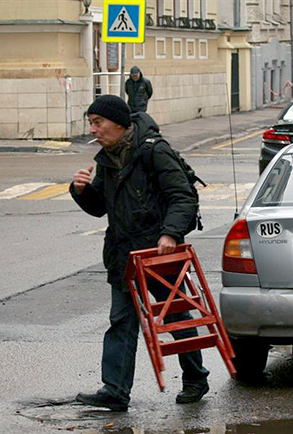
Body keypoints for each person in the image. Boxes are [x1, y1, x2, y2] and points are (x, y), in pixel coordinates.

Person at [70, 95, 209, 412]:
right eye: (90, 123)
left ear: (119, 124)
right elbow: (100, 207)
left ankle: (195, 378)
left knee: (174, 316)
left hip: (159, 254)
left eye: (98, 123)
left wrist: (170, 233)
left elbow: (183, 196)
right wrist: (80, 191)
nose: (93, 130)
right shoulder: (107, 158)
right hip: (124, 256)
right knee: (121, 322)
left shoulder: (152, 151)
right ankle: (115, 390)